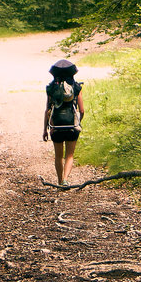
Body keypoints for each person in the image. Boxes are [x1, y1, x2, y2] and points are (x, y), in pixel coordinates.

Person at [42, 56, 83, 187]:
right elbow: (82, 110)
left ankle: (59, 181)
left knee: (58, 156)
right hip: (72, 125)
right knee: (69, 155)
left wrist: (45, 129)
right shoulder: (76, 88)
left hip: (56, 126)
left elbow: (48, 110)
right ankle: (65, 179)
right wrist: (78, 122)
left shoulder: (51, 88)